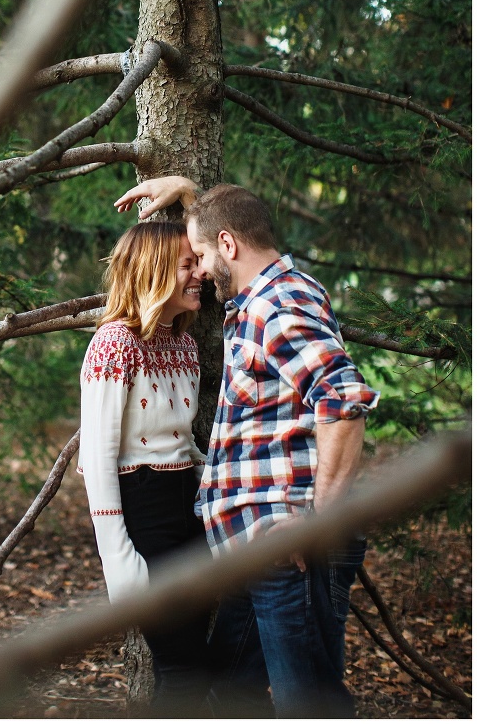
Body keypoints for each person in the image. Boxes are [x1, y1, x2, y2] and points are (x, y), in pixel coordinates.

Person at [115, 176, 380, 719]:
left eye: (203, 255)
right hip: (255, 550)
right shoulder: (276, 294)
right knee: (223, 696)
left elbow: (343, 402)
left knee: (310, 705)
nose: (202, 269)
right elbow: (227, 226)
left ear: (229, 246)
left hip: (287, 548)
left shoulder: (274, 307)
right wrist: (192, 194)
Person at [78, 220, 213, 715]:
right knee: (183, 669)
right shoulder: (114, 343)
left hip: (189, 504)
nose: (201, 273)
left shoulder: (183, 343)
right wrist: (119, 562)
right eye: (187, 264)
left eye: (198, 262)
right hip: (144, 508)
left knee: (197, 659)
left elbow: (180, 440)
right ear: (155, 270)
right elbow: (96, 456)